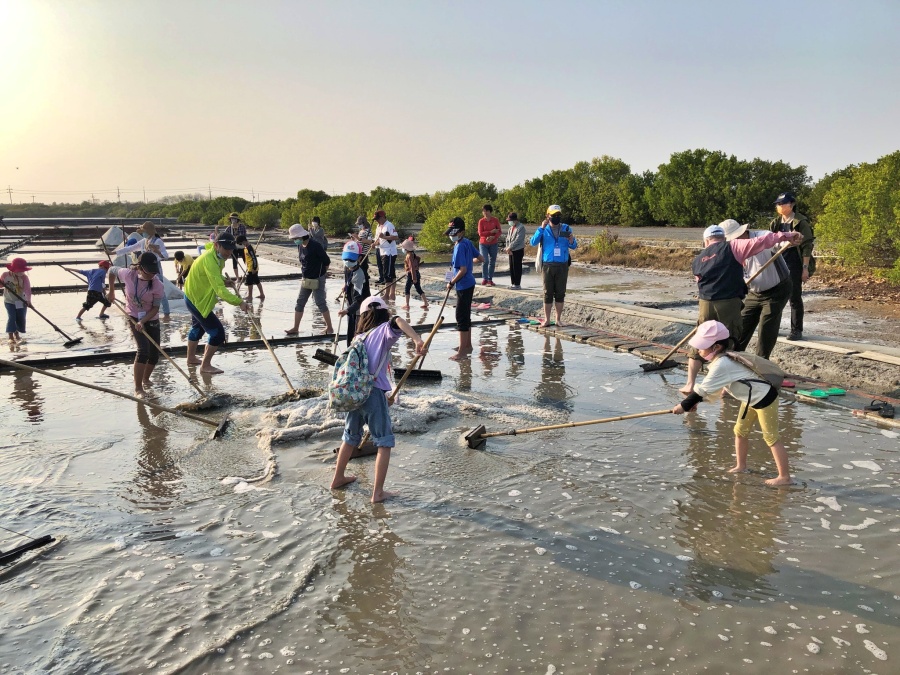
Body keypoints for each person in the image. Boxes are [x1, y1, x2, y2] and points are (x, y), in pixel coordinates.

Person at [680, 223, 803, 394]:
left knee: (702, 339)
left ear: (706, 241)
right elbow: (764, 241)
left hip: (705, 303)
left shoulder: (698, 259)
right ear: (723, 238)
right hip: (728, 302)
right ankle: (725, 387)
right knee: (729, 340)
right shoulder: (733, 246)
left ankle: (690, 384)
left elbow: (700, 281)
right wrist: (787, 235)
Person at [673, 320, 793, 486]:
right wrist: (696, 403)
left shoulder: (722, 364)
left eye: (702, 346)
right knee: (740, 431)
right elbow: (710, 389)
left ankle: (784, 477)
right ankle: (741, 466)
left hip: (764, 399)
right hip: (750, 399)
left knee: (771, 437)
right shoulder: (720, 361)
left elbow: (701, 391)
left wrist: (683, 406)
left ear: (716, 347)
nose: (699, 350)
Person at [331, 295, 426, 503]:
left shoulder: (359, 338)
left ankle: (338, 478)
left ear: (362, 317)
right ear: (383, 314)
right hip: (372, 393)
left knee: (350, 436)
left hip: (355, 393)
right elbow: (398, 320)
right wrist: (417, 340)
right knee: (384, 442)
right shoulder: (383, 330)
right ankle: (378, 493)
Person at [720, 220, 793, 359]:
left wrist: (792, 239)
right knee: (742, 324)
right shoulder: (731, 249)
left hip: (777, 289)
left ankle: (761, 362)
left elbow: (780, 242)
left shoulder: (763, 237)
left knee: (767, 326)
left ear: (742, 233)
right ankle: (733, 358)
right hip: (754, 293)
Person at [183, 232, 250, 374]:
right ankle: (205, 365)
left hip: (194, 296)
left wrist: (224, 281)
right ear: (216, 245)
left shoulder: (216, 257)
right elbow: (219, 290)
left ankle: (191, 358)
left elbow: (213, 277)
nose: (229, 252)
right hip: (197, 300)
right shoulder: (209, 259)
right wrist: (240, 302)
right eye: (226, 249)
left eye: (231, 249)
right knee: (218, 333)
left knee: (198, 328)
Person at [106, 252, 165, 398]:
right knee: (143, 350)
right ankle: (138, 388)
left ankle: (145, 379)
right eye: (149, 271)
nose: (152, 274)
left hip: (150, 318)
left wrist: (143, 321)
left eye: (154, 271)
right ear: (140, 267)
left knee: (154, 353)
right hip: (133, 316)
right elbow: (111, 271)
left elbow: (155, 308)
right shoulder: (128, 274)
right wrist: (111, 291)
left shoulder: (158, 285)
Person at [769, 192, 815, 341]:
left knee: (794, 297)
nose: (779, 207)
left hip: (795, 262)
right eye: (778, 204)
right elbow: (769, 242)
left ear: (791, 204)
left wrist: (805, 268)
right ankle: (773, 327)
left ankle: (796, 330)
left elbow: (807, 246)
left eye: (782, 204)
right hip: (779, 261)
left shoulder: (801, 222)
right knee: (776, 296)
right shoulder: (776, 222)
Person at [530, 204, 577, 327]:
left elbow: (574, 246)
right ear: (547, 216)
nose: (556, 217)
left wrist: (571, 240)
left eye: (558, 215)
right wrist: (540, 228)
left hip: (562, 265)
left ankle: (558, 319)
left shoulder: (566, 228)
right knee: (547, 293)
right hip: (548, 265)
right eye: (553, 215)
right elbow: (533, 242)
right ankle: (547, 319)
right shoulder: (543, 229)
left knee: (560, 293)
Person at [116, 221, 171, 321]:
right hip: (143, 267)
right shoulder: (144, 241)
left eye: (144, 231)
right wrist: (115, 252)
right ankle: (144, 310)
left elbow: (166, 256)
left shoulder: (158, 241)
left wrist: (157, 251)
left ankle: (166, 313)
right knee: (143, 287)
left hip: (154, 266)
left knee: (159, 289)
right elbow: (131, 247)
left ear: (149, 231)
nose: (143, 233)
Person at [285, 223, 333, 335]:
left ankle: (329, 328)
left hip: (318, 278)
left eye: (295, 238)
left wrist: (323, 274)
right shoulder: (300, 246)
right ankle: (295, 327)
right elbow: (303, 263)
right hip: (306, 279)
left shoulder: (315, 246)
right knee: (300, 303)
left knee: (320, 303)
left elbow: (326, 261)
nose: (295, 241)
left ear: (301, 236)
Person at [445, 217, 483, 361]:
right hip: (469, 283)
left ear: (462, 232)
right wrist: (469, 260)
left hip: (463, 284)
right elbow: (481, 258)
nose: (451, 235)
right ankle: (467, 345)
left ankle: (462, 352)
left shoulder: (460, 246)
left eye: (454, 232)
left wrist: (451, 282)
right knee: (465, 315)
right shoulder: (466, 242)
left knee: (461, 317)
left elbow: (462, 270)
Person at [338, 240, 371, 345]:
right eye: (346, 258)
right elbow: (348, 279)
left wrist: (346, 310)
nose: (347, 261)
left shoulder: (360, 275)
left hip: (360, 310)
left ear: (359, 258)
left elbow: (359, 300)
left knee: (358, 336)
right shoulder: (347, 267)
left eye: (351, 259)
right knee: (350, 335)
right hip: (351, 306)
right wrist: (347, 286)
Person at [2, 257, 32, 343]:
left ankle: (17, 334)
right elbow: (1, 286)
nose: (20, 272)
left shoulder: (24, 277)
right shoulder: (5, 275)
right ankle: (10, 336)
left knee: (20, 318)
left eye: (22, 271)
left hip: (21, 301)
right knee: (12, 317)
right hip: (9, 300)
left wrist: (28, 301)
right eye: (19, 271)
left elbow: (27, 290)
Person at [373, 210, 398, 303]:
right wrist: (374, 244)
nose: (377, 221)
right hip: (381, 251)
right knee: (390, 272)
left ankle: (387, 294)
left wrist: (384, 237)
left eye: (378, 219)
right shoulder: (378, 227)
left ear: (383, 217)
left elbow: (395, 237)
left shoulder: (389, 225)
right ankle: (392, 293)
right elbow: (378, 240)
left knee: (387, 273)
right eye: (375, 219)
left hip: (389, 252)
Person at [400, 238, 429, 310]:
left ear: (406, 249)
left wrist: (414, 278)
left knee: (407, 289)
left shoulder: (409, 256)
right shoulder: (412, 254)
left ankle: (407, 304)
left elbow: (412, 267)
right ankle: (425, 302)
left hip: (412, 274)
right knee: (418, 288)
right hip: (416, 273)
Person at [477, 204, 502, 286]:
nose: (485, 213)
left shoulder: (495, 220)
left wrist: (493, 236)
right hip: (483, 243)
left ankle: (490, 279)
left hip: (493, 243)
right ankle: (484, 278)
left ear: (490, 211)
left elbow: (499, 231)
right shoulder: (481, 221)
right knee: (485, 260)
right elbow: (480, 233)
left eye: (487, 211)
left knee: (492, 261)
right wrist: (490, 232)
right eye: (484, 211)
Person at [235, 234, 265, 301]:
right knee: (257, 281)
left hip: (252, 268)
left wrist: (254, 268)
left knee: (249, 282)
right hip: (249, 267)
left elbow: (254, 258)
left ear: (244, 241)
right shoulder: (246, 248)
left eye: (241, 243)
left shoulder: (249, 248)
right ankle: (262, 294)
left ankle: (250, 296)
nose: (241, 245)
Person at [504, 212, 526, 289]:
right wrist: (507, 248)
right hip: (510, 250)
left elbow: (518, 240)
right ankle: (513, 283)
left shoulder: (521, 227)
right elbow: (507, 239)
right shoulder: (510, 228)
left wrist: (510, 247)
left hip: (518, 250)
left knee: (517, 267)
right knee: (512, 266)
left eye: (510, 220)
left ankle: (517, 284)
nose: (509, 222)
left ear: (515, 220)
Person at [226, 212, 247, 279]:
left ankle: (248, 274)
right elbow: (225, 237)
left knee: (246, 260)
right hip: (233, 247)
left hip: (241, 246)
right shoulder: (229, 228)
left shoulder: (242, 227)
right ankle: (237, 277)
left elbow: (244, 237)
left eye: (234, 219)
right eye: (232, 219)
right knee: (235, 262)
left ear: (237, 220)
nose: (233, 220)